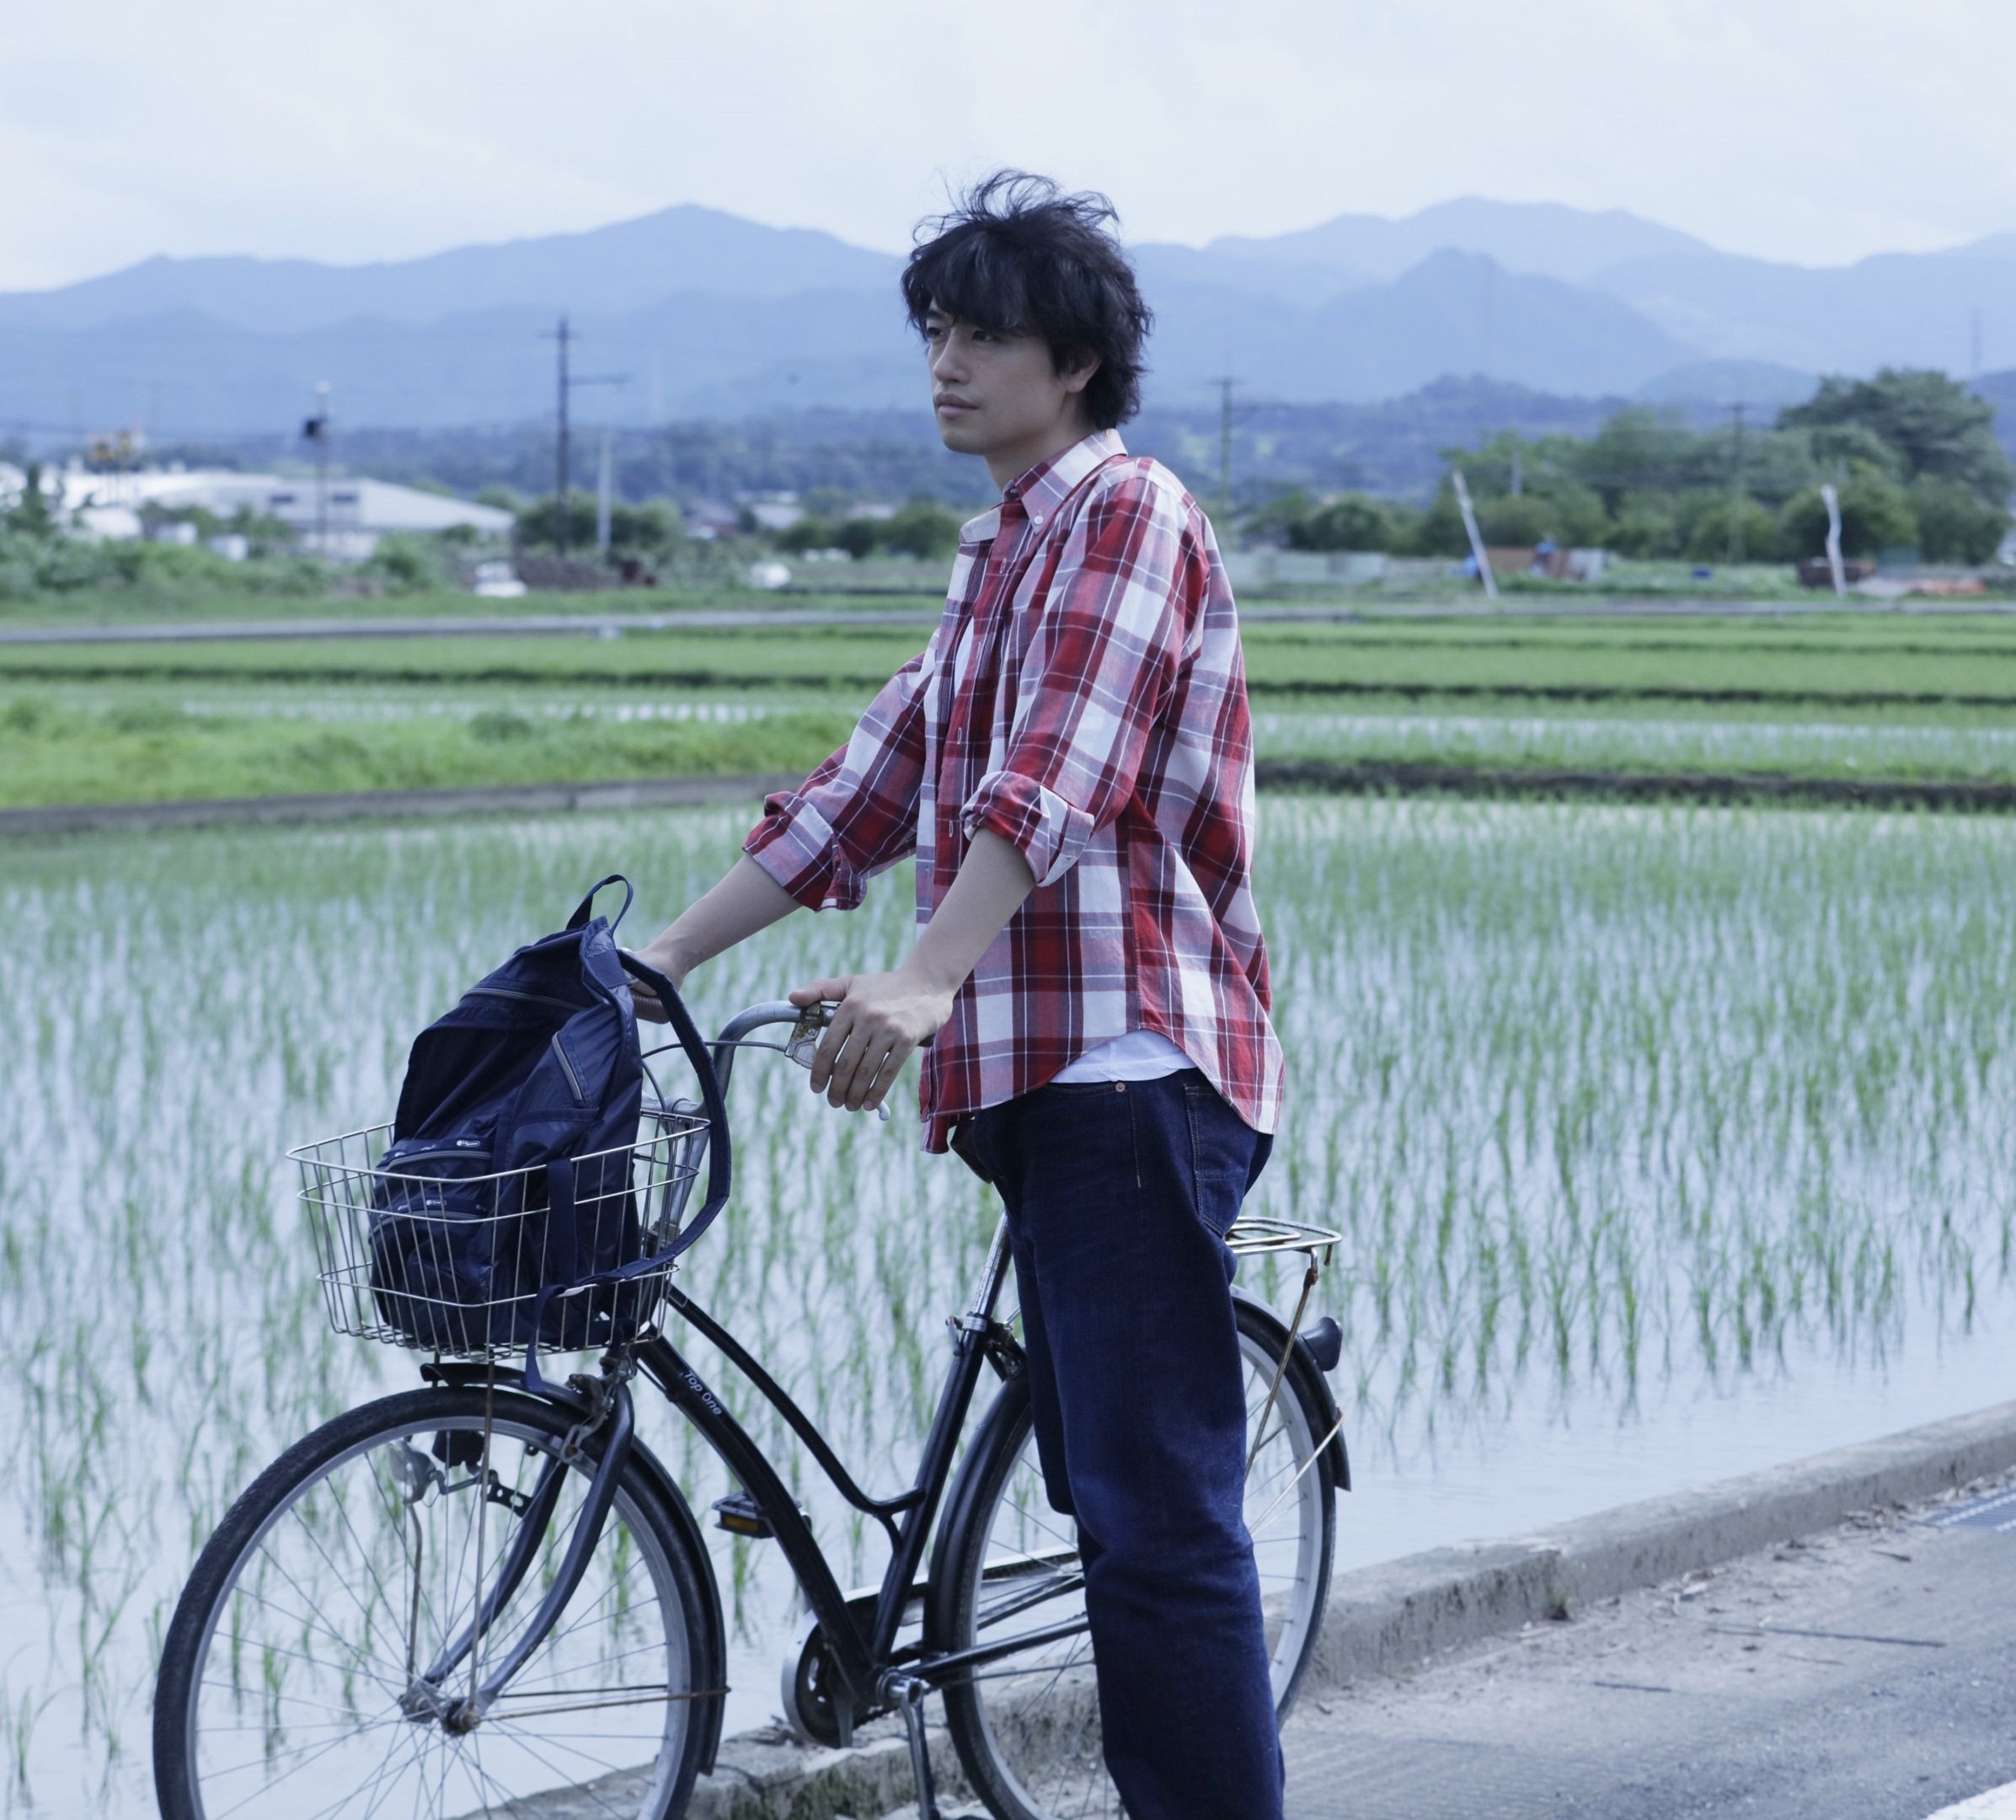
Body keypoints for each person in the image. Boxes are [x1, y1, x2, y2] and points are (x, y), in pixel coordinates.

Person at [628, 172, 1287, 1820]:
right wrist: (653, 964)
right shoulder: (999, 551)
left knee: (1155, 1526)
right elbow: (867, 790)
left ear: (1070, 360)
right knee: (1110, 1490)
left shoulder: (1128, 516)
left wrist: (926, 975)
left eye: (982, 333)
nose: (947, 363)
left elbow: (1060, 769)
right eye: (933, 330)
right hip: (1026, 1076)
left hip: (1130, 1065)